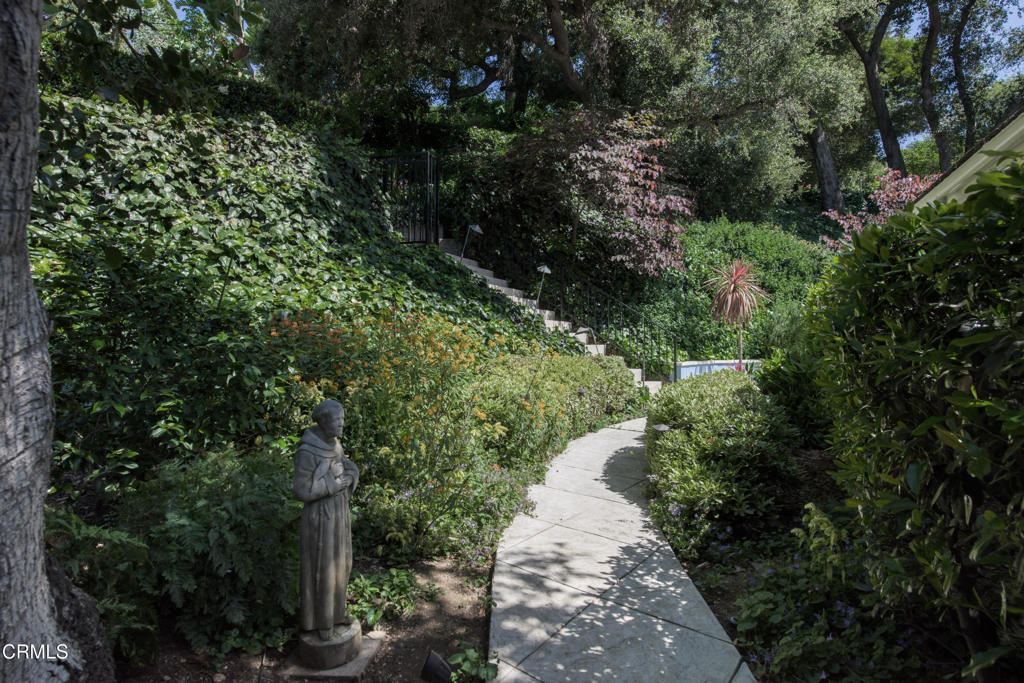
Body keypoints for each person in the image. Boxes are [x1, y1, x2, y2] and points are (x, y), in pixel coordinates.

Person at [293, 399, 360, 640]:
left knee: (341, 564)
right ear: (323, 422)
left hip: (338, 513)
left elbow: (345, 467)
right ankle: (322, 624)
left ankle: (336, 614)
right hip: (320, 519)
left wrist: (351, 475)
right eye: (337, 420)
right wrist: (333, 484)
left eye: (342, 419)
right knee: (323, 569)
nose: (341, 424)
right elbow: (301, 490)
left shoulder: (335, 444)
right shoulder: (307, 451)